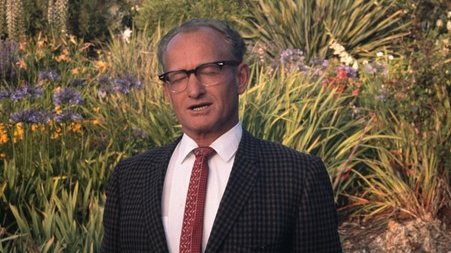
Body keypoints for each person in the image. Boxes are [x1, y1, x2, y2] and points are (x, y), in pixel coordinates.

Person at [101, 18, 343, 253]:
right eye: (179, 77)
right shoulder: (129, 177)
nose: (194, 90)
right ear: (167, 90)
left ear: (241, 78)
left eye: (209, 71)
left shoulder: (297, 176)